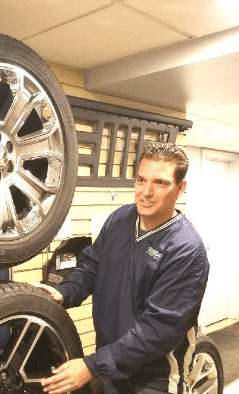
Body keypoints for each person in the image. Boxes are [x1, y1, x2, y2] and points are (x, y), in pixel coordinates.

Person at [33, 142, 210, 394]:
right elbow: (91, 267)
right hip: (111, 364)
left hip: (155, 376)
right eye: (141, 180)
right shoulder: (120, 219)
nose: (146, 192)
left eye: (160, 183)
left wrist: (92, 366)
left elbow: (158, 330)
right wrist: (65, 292)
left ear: (180, 188)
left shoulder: (185, 250)